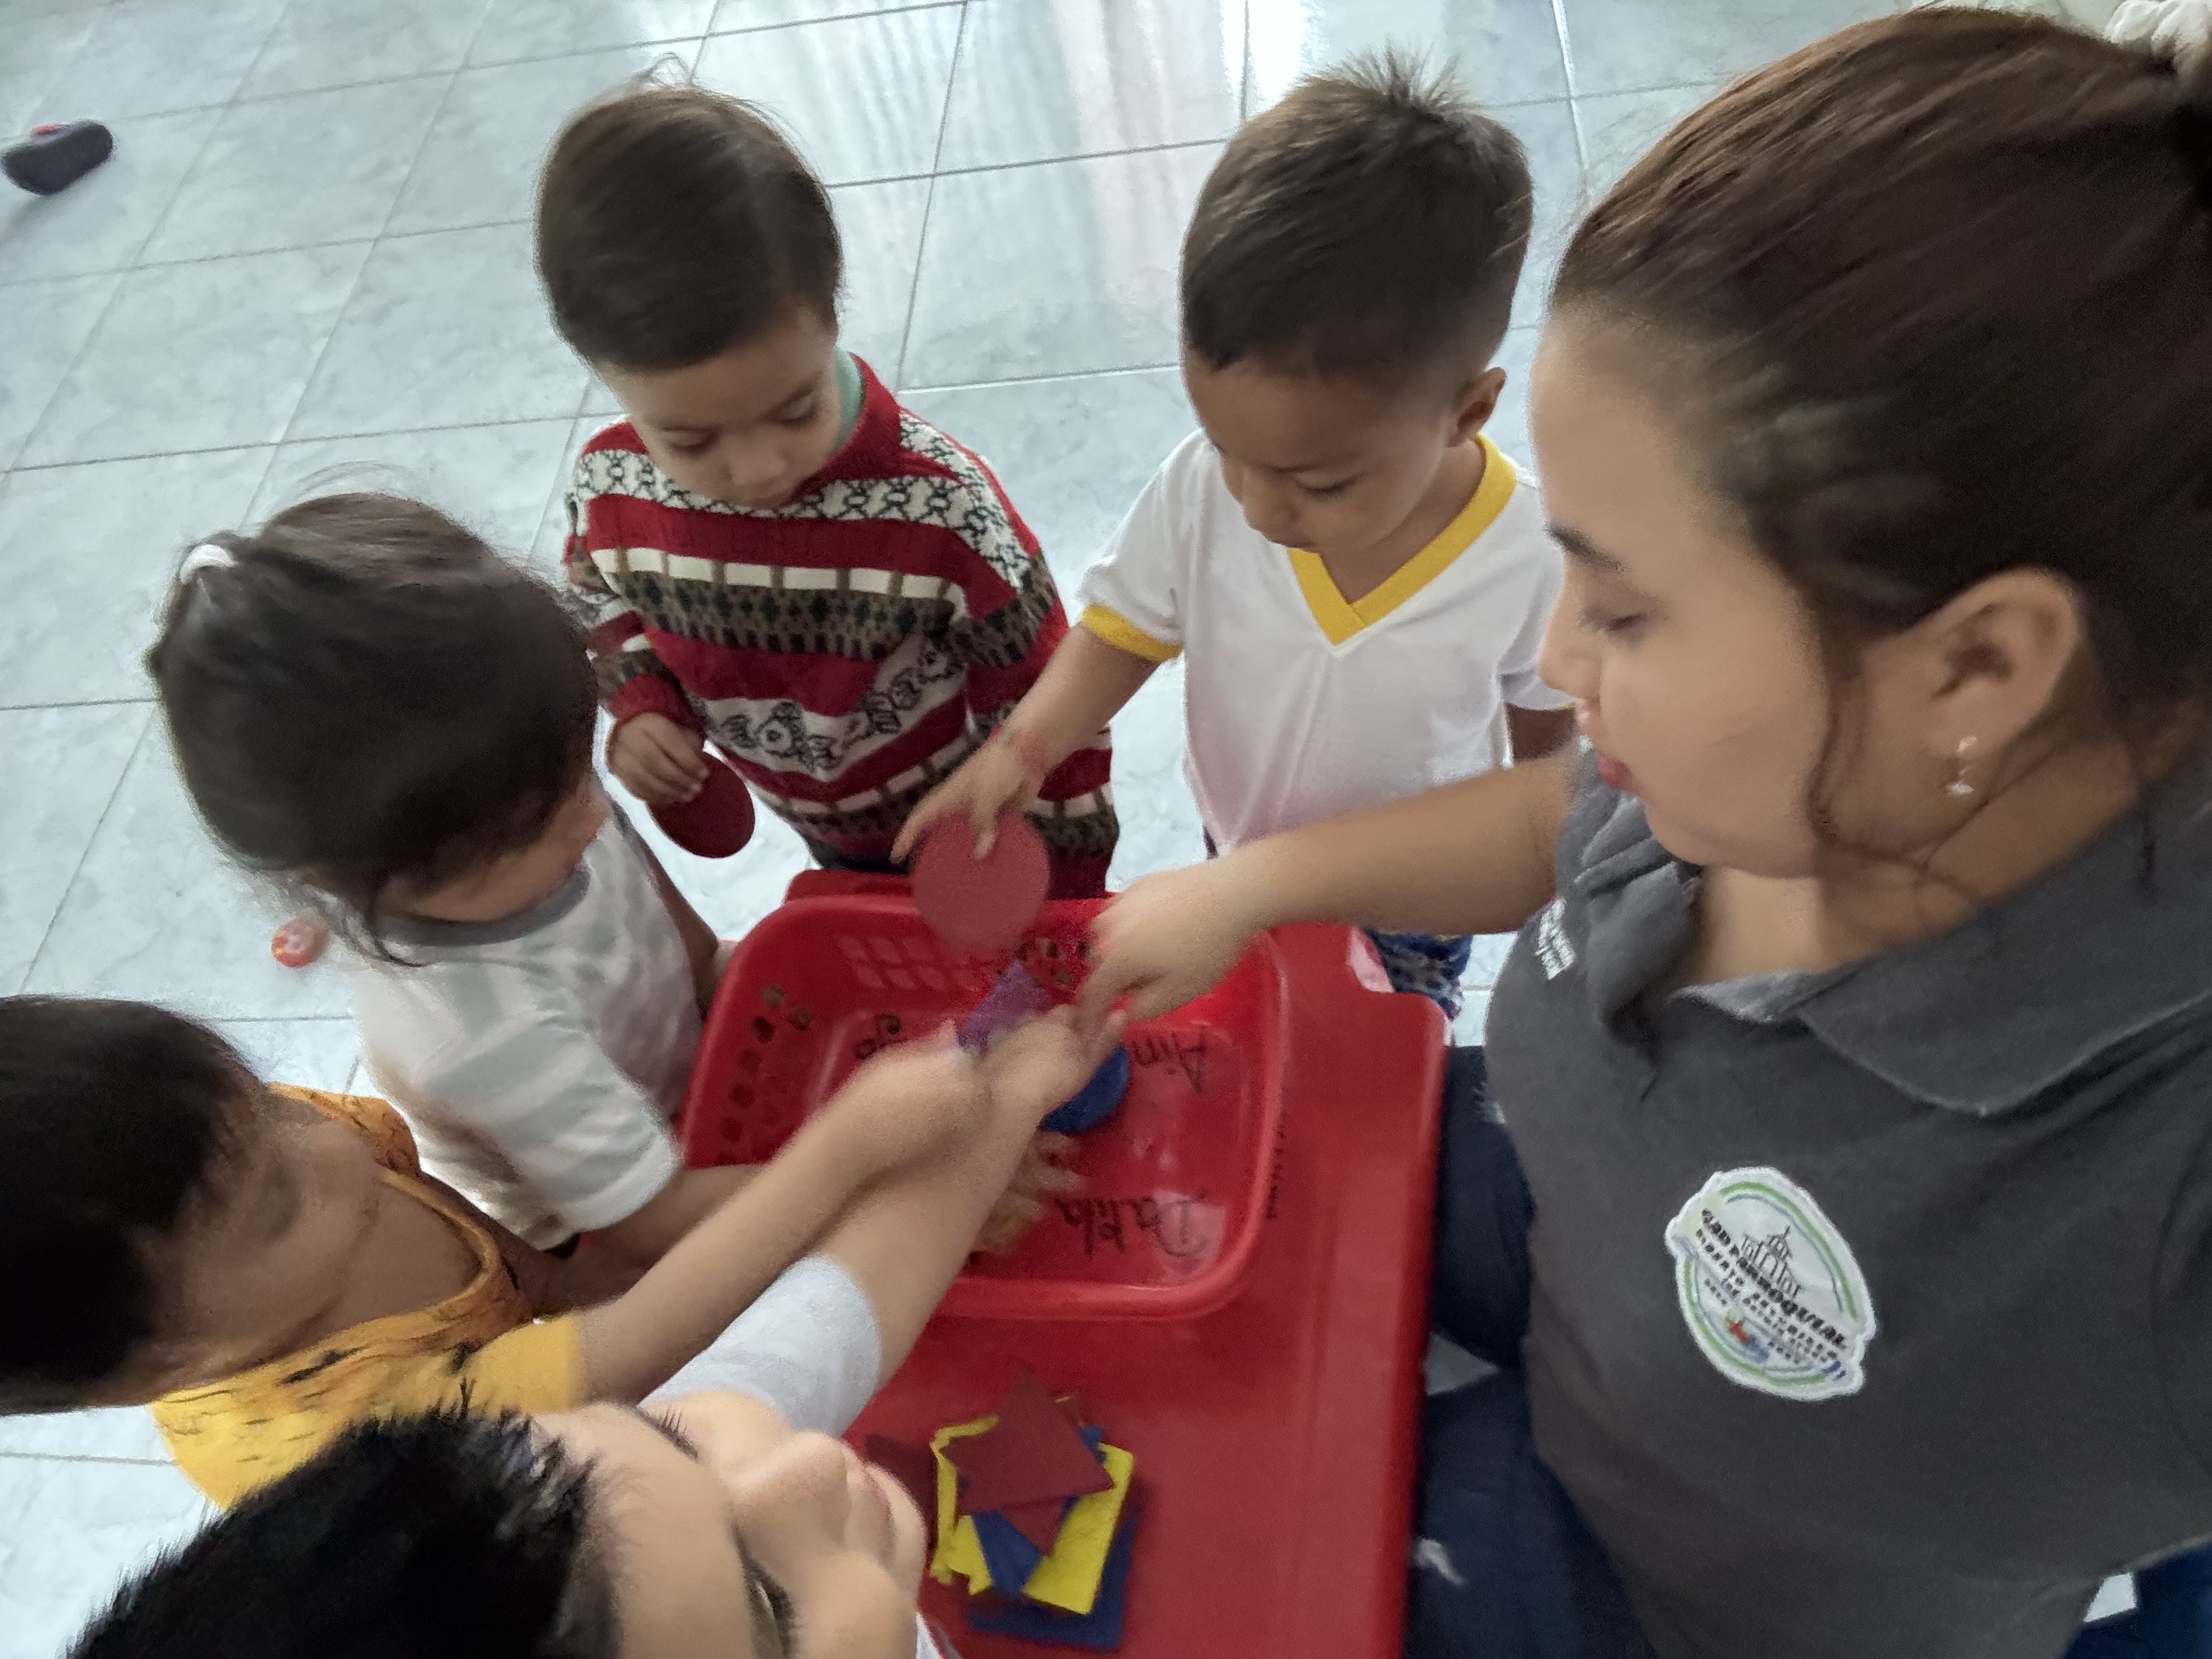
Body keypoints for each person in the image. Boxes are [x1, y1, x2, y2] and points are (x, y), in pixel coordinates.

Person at [1075, 10, 2212, 1658]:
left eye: (1622, 606)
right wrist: (1257, 884)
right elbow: (1561, 814)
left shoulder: (2153, 1176)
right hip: (1568, 1258)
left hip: (1666, 1604)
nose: (1556, 656)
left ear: (1974, 668)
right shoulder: (1747, 774)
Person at [61, 1006, 1121, 1658]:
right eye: (767, 1601)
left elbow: (845, 1301)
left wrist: (1011, 1101)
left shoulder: (624, 1518)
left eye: (662, 1433)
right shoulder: (642, 1527)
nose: (804, 1464)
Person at [895, 51, 1576, 1017]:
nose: (1256, 507)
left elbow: (1546, 755)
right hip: (1238, 844)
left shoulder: (1530, 555)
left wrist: (1545, 838)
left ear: (1465, 413)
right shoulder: (1199, 489)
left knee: (1381, 1039)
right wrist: (1022, 750)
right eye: (1228, 450)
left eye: (1320, 483)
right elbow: (1125, 630)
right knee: (1254, 1005)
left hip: (1408, 896)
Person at [537, 78, 1116, 897]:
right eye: (691, 440)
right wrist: (642, 704)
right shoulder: (611, 485)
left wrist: (1063, 884)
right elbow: (596, 598)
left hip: (978, 839)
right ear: (603, 374)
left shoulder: (942, 509)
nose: (758, 470)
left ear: (832, 314)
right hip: (828, 835)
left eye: (795, 410)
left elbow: (1052, 702)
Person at [149, 494, 761, 1261]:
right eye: (531, 830)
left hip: (684, 1098)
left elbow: (702, 965)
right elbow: (652, 1225)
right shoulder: (479, 1033)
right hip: (602, 1230)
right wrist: (859, 1148)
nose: (592, 818)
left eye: (577, 772)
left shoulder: (528, 787)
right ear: (339, 879)